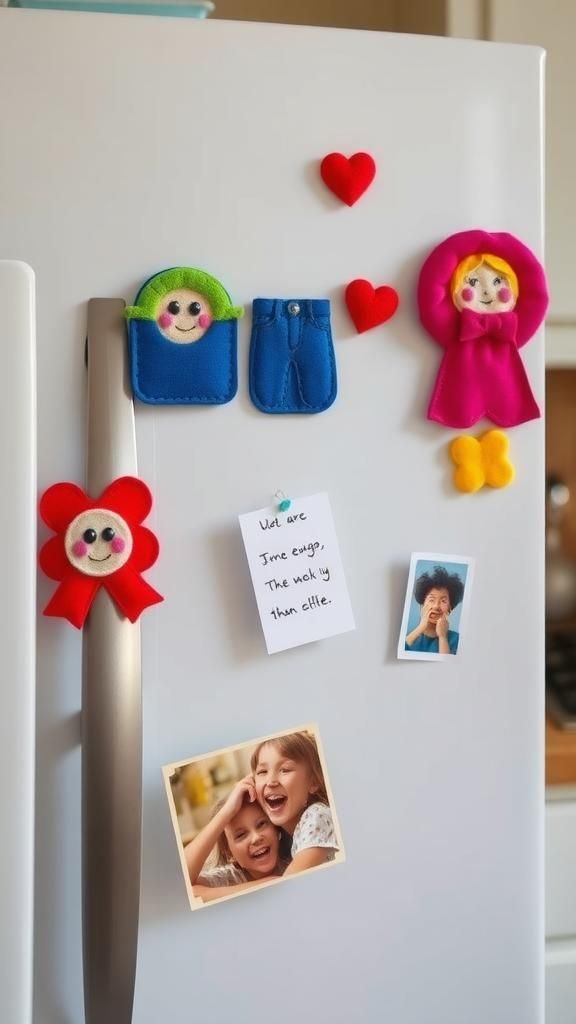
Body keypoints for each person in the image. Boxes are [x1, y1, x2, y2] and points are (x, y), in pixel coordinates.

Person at [185, 776, 286, 904]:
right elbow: (180, 886)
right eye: (241, 835)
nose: (256, 838)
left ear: (276, 828)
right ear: (229, 853)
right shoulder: (228, 879)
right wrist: (226, 812)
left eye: (261, 824)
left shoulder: (297, 854)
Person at [251, 731, 339, 875]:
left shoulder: (317, 815)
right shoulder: (283, 835)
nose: (271, 781)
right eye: (262, 772)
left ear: (313, 782)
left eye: (285, 770)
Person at [404, 565, 464, 655]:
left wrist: (443, 637)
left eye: (443, 601)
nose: (436, 606)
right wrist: (421, 627)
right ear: (422, 605)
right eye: (431, 600)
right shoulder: (408, 637)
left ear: (450, 608)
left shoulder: (457, 639)